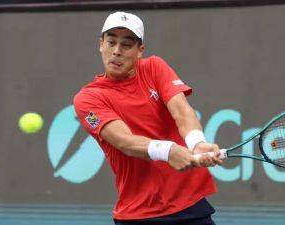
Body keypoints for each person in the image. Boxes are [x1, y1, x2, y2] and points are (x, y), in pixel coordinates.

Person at [73, 11, 222, 225]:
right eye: (111, 42)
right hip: (140, 214)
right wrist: (169, 151)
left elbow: (181, 111)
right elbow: (125, 142)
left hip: (189, 205)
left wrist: (196, 143)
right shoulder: (87, 100)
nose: (116, 51)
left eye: (126, 45)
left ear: (139, 50)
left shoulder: (154, 67)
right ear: (101, 44)